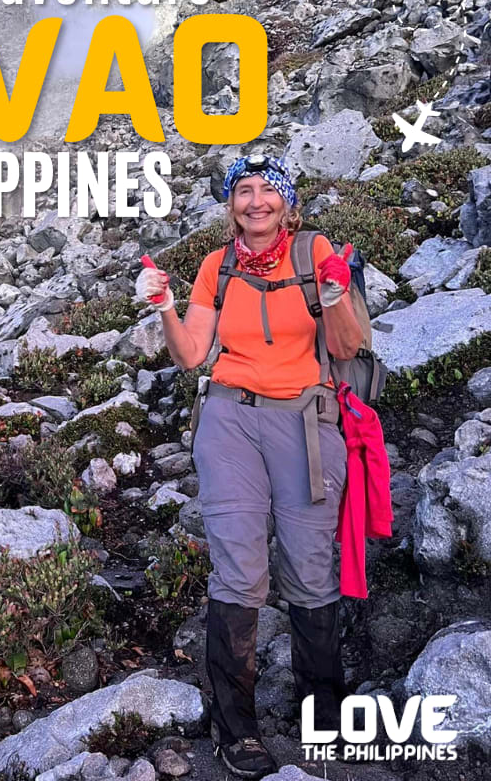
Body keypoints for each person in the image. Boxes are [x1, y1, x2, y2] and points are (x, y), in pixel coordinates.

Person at [135, 154, 364, 780]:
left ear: (286, 201)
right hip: (229, 420)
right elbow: (190, 356)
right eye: (243, 190)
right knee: (238, 569)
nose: (254, 201)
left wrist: (339, 294)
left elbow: (347, 348)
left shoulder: (316, 253)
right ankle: (237, 731)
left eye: (267, 190)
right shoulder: (218, 265)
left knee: (311, 568)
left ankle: (326, 720)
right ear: (230, 202)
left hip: (305, 423)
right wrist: (163, 306)